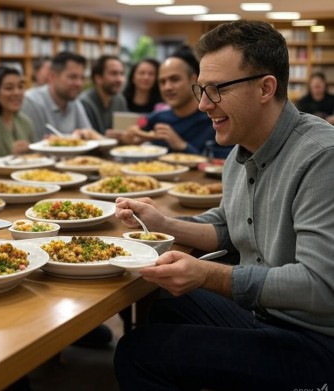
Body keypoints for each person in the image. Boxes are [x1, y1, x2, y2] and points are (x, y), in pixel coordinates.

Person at [114, 20, 334, 390]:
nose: (202, 104)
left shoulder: (321, 157)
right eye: (201, 89)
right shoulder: (241, 149)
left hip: (314, 339)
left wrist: (208, 275)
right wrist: (162, 221)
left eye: (216, 90)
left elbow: (320, 286)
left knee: (137, 352)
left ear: (266, 88)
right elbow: (233, 226)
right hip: (267, 314)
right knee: (165, 303)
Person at [124, 46, 230, 157]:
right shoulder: (158, 118)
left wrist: (182, 146)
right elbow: (140, 126)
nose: (167, 87)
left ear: (194, 80)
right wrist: (132, 135)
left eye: (174, 79)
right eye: (162, 82)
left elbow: (222, 167)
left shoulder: (215, 120)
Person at [21, 51, 96, 140]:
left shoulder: (73, 100)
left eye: (82, 78)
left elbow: (89, 136)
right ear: (52, 76)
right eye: (72, 77)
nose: (79, 83)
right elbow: (32, 146)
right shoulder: (31, 101)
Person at [80, 54, 128, 134]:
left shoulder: (120, 100)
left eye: (121, 74)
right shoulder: (84, 103)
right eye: (114, 74)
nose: (120, 79)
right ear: (98, 78)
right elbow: (87, 137)